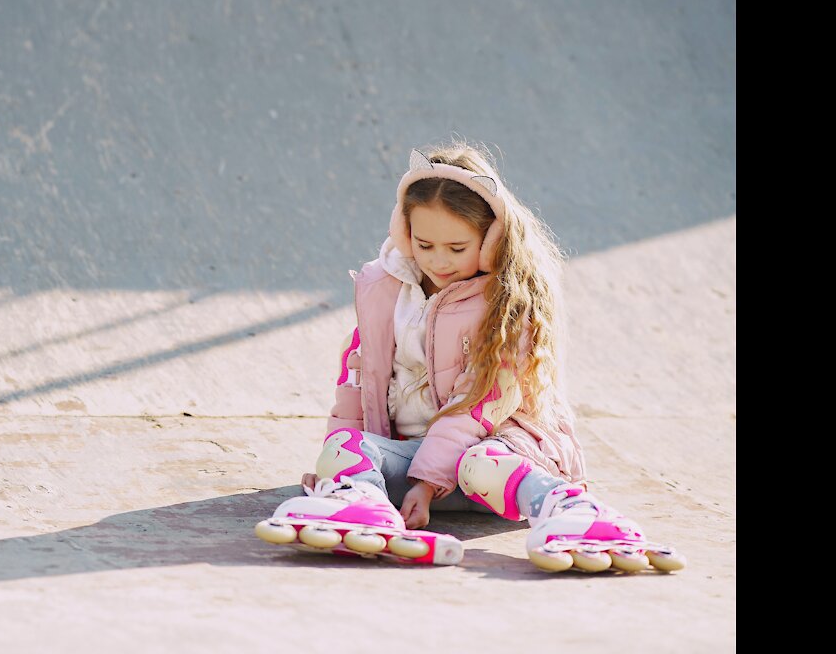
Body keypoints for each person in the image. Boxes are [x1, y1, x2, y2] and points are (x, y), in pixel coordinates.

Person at [256, 142, 685, 573]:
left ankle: (569, 509)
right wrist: (339, 474)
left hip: (502, 466)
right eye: (424, 244)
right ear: (404, 233)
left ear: (489, 240)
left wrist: (424, 484)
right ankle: (358, 504)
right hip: (416, 463)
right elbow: (358, 383)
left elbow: (475, 404)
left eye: (457, 249)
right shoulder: (385, 291)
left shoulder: (508, 304)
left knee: (477, 462)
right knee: (343, 446)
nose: (438, 261)